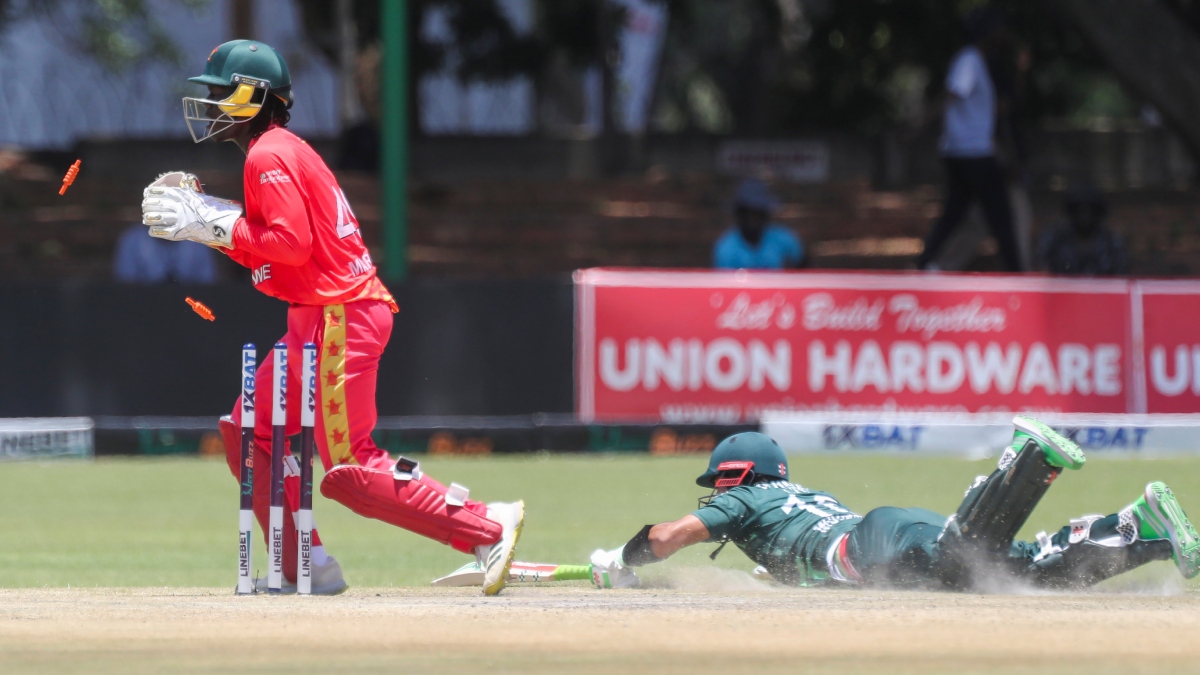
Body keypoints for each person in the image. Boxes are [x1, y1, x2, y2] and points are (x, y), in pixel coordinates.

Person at [139, 39, 524, 595]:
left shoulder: (270, 154)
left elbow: (289, 246)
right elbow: (273, 247)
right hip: (318, 318)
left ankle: (487, 526)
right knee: (251, 434)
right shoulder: (277, 150)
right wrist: (213, 221)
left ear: (254, 96)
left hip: (340, 316)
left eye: (222, 94)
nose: (213, 105)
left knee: (349, 471)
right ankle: (306, 567)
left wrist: (212, 225)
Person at [589, 420, 1199, 591]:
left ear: (743, 474)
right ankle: (1139, 528)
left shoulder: (746, 498)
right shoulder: (797, 496)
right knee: (1020, 569)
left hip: (870, 544)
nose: (718, 490)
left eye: (724, 479)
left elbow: (670, 537)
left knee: (963, 554)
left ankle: (1026, 460)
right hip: (880, 530)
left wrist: (620, 558)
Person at [916, 9, 1023, 272]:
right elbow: (952, 94)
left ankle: (924, 263)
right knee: (1000, 216)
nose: (1002, 34)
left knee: (955, 213)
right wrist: (919, 125)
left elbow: (996, 111)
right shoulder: (969, 61)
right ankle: (1016, 273)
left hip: (968, 151)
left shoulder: (979, 63)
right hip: (972, 153)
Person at [1037, 183, 1130, 275]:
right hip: (1062, 288)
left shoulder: (1112, 243)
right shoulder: (1055, 240)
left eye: (1090, 210)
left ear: (1098, 213)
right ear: (1072, 212)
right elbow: (1041, 270)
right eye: (1079, 210)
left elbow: (1122, 275)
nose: (1085, 216)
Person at [713, 179, 805, 270]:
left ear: (766, 213)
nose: (752, 218)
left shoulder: (785, 239)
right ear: (739, 214)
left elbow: (803, 268)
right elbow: (726, 283)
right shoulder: (726, 248)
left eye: (757, 212)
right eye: (747, 212)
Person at [113, 222, 217, 284]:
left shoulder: (198, 241)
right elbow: (125, 284)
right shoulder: (132, 240)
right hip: (142, 307)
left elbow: (207, 284)